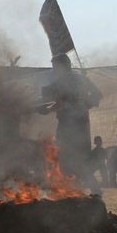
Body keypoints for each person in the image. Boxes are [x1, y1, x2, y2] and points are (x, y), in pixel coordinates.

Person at [40, 54, 102, 187]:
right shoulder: (77, 80)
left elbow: (96, 95)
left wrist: (83, 105)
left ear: (62, 66)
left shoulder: (69, 81)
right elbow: (60, 103)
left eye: (55, 66)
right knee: (73, 159)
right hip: (73, 124)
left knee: (70, 158)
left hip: (74, 125)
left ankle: (86, 190)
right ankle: (84, 191)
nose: (54, 70)